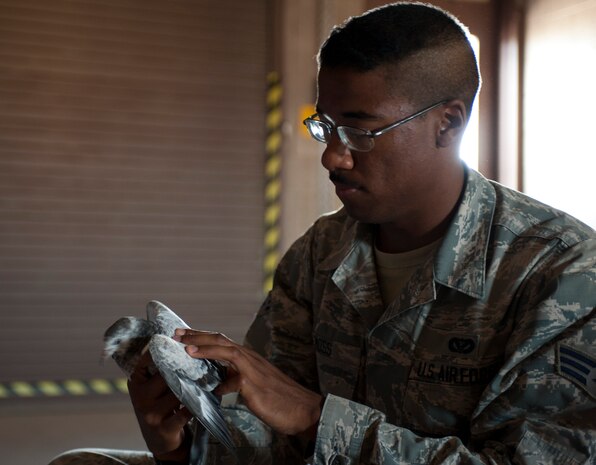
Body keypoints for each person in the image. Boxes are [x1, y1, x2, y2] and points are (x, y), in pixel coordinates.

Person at [49, 2, 595, 465]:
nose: (332, 156)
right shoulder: (321, 253)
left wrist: (315, 417)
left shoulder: (561, 273)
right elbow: (263, 439)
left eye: (359, 131)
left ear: (448, 123)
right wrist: (180, 440)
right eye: (325, 127)